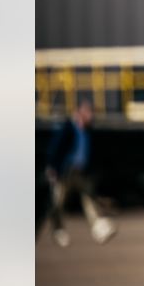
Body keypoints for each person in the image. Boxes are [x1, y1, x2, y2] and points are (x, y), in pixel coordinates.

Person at [40, 98, 117, 247]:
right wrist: (52, 168)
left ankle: (99, 229)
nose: (91, 116)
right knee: (58, 201)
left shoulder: (87, 131)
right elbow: (56, 149)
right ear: (81, 112)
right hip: (65, 171)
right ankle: (58, 230)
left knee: (89, 199)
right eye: (89, 113)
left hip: (80, 171)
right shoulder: (68, 128)